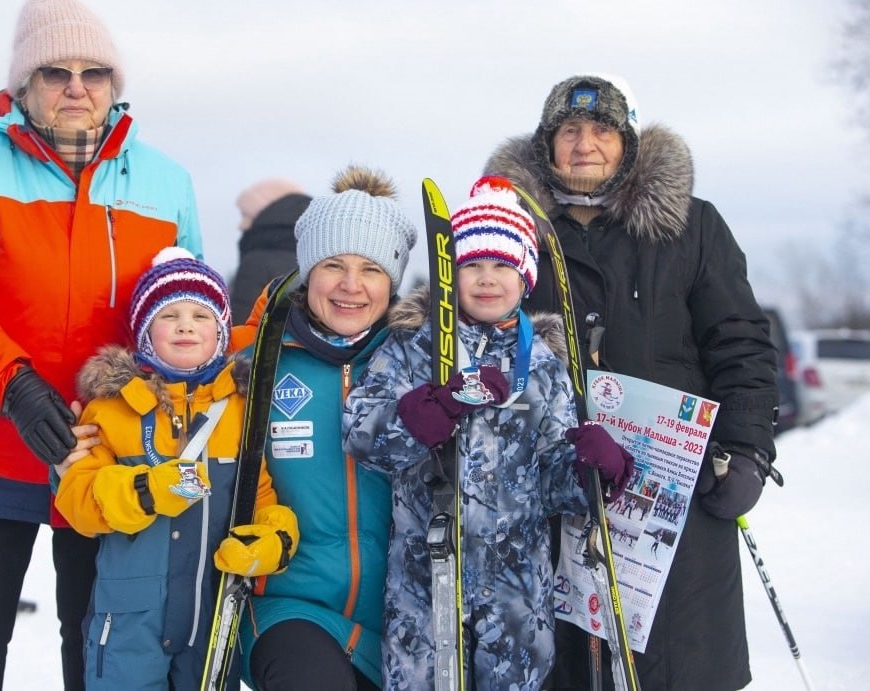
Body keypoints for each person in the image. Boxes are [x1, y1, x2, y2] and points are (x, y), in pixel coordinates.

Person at [0, 0, 202, 688]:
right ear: (24, 84)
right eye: (55, 72)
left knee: (99, 632)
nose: (76, 87)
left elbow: (188, 310)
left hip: (113, 449)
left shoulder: (165, 181)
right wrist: (14, 382)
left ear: (114, 85)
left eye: (94, 73)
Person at [484, 73, 780, 690]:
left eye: (601, 130)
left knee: (677, 666)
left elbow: (740, 342)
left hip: (674, 492)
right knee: (560, 667)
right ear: (547, 145)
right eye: (568, 130)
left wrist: (749, 448)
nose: (584, 143)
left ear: (629, 144)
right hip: (548, 489)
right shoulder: (506, 237)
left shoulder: (692, 228)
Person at [342, 176, 634, 691]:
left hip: (515, 589)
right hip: (424, 579)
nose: (486, 278)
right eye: (471, 264)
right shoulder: (413, 347)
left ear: (525, 276)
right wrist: (434, 406)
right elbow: (362, 437)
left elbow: (553, 485)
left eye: (502, 265)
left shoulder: (544, 366)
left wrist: (596, 468)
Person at [53, 248, 299, 690]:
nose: (186, 324)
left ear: (222, 333)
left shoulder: (243, 410)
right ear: (146, 331)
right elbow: (78, 501)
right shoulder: (110, 410)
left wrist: (273, 539)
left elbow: (262, 496)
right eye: (170, 314)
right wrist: (144, 490)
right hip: (128, 624)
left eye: (201, 316)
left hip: (212, 620)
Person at [236, 164, 418, 690]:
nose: (350, 286)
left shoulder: (417, 369)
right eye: (333, 265)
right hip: (288, 607)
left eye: (372, 269)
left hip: (399, 625)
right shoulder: (258, 364)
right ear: (306, 271)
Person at [230, 178, 312, 323]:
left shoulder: (256, 261)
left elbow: (240, 324)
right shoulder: (317, 255)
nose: (240, 225)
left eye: (246, 215)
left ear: (266, 212)